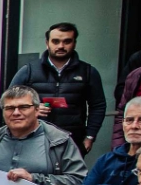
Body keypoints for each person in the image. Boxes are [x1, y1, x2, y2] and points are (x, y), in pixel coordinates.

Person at [11, 22, 105, 153]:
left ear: (74, 43)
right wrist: (32, 108)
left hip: (73, 140)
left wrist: (90, 136)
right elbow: (9, 101)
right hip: (34, 137)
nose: (61, 46)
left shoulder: (88, 72)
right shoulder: (29, 71)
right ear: (47, 43)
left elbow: (98, 106)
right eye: (55, 41)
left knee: (69, 174)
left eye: (67, 41)